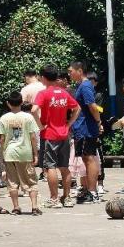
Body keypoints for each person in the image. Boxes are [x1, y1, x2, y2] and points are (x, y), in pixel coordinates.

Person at [32, 64, 80, 208]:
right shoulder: (64, 93)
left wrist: (41, 126)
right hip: (64, 134)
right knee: (64, 167)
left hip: (50, 134)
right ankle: (67, 197)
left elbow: (34, 110)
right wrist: (68, 124)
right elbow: (77, 108)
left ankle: (54, 199)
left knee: (50, 167)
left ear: (43, 78)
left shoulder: (43, 93)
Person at [0, 91, 42, 216]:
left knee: (12, 182)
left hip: (10, 153)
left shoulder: (4, 118)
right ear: (21, 102)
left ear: (8, 103)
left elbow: (1, 139)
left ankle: (16, 207)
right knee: (31, 180)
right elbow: (33, 137)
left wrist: (2, 153)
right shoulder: (28, 117)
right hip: (25, 153)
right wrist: (35, 154)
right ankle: (34, 207)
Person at [69, 61, 102, 204]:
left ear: (80, 71)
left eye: (71, 71)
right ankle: (89, 190)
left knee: (89, 158)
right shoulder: (80, 86)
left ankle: (93, 192)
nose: (69, 74)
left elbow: (92, 106)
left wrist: (98, 122)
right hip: (81, 128)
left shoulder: (86, 85)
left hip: (86, 129)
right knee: (86, 158)